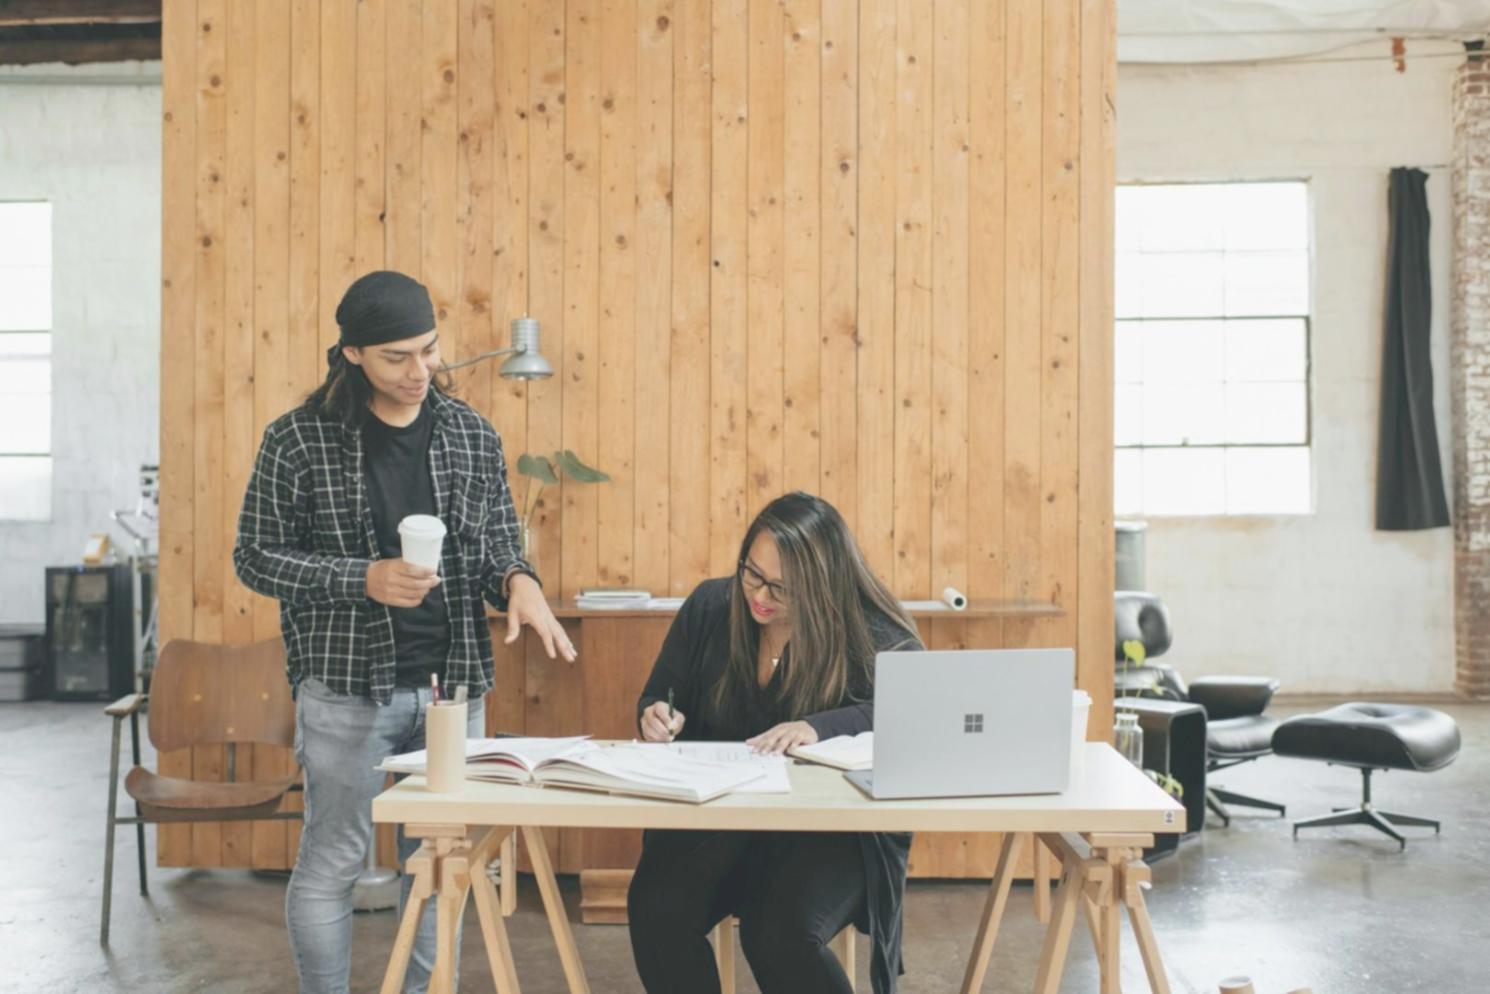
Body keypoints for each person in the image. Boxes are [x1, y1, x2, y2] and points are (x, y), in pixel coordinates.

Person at [233, 270, 573, 994]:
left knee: (446, 863)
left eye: (428, 351)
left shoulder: (472, 435)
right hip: (346, 691)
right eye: (397, 357)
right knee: (333, 860)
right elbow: (255, 557)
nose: (420, 372)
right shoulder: (297, 440)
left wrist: (521, 584)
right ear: (352, 353)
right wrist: (362, 577)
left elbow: (493, 548)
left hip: (453, 693)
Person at [628, 491, 923, 994]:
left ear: (823, 586)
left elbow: (914, 713)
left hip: (831, 835)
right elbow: (660, 693)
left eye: (782, 589)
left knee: (779, 933)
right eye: (752, 574)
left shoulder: (873, 633)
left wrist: (819, 726)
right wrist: (656, 715)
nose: (760, 596)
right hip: (724, 820)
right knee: (656, 908)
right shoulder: (712, 607)